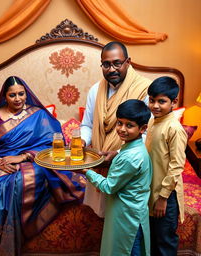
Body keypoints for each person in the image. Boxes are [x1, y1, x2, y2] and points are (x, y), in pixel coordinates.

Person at [0, 76, 85, 256]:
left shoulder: (38, 114)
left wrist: (23, 157)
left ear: (26, 94)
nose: (18, 98)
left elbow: (52, 144)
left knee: (19, 181)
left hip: (32, 161)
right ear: (5, 96)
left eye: (21, 94)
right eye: (12, 95)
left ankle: (9, 244)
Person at [81, 41, 152, 217]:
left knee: (124, 218)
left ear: (128, 62)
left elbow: (148, 133)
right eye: (106, 64)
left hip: (128, 164)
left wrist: (119, 153)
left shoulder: (145, 89)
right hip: (99, 159)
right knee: (103, 216)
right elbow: (87, 124)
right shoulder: (96, 90)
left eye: (117, 63)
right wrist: (82, 140)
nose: (111, 69)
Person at [77, 99, 152, 256]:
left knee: (126, 249)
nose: (122, 129)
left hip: (127, 215)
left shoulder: (130, 157)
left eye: (129, 125)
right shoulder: (133, 148)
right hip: (131, 210)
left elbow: (109, 187)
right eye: (119, 123)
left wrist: (86, 172)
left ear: (143, 128)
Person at [145, 76, 187, 255]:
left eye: (161, 101)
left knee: (165, 243)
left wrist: (162, 198)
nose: (155, 105)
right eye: (152, 100)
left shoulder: (174, 129)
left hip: (166, 196)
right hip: (151, 191)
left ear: (174, 102)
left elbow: (177, 166)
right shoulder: (153, 121)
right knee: (153, 240)